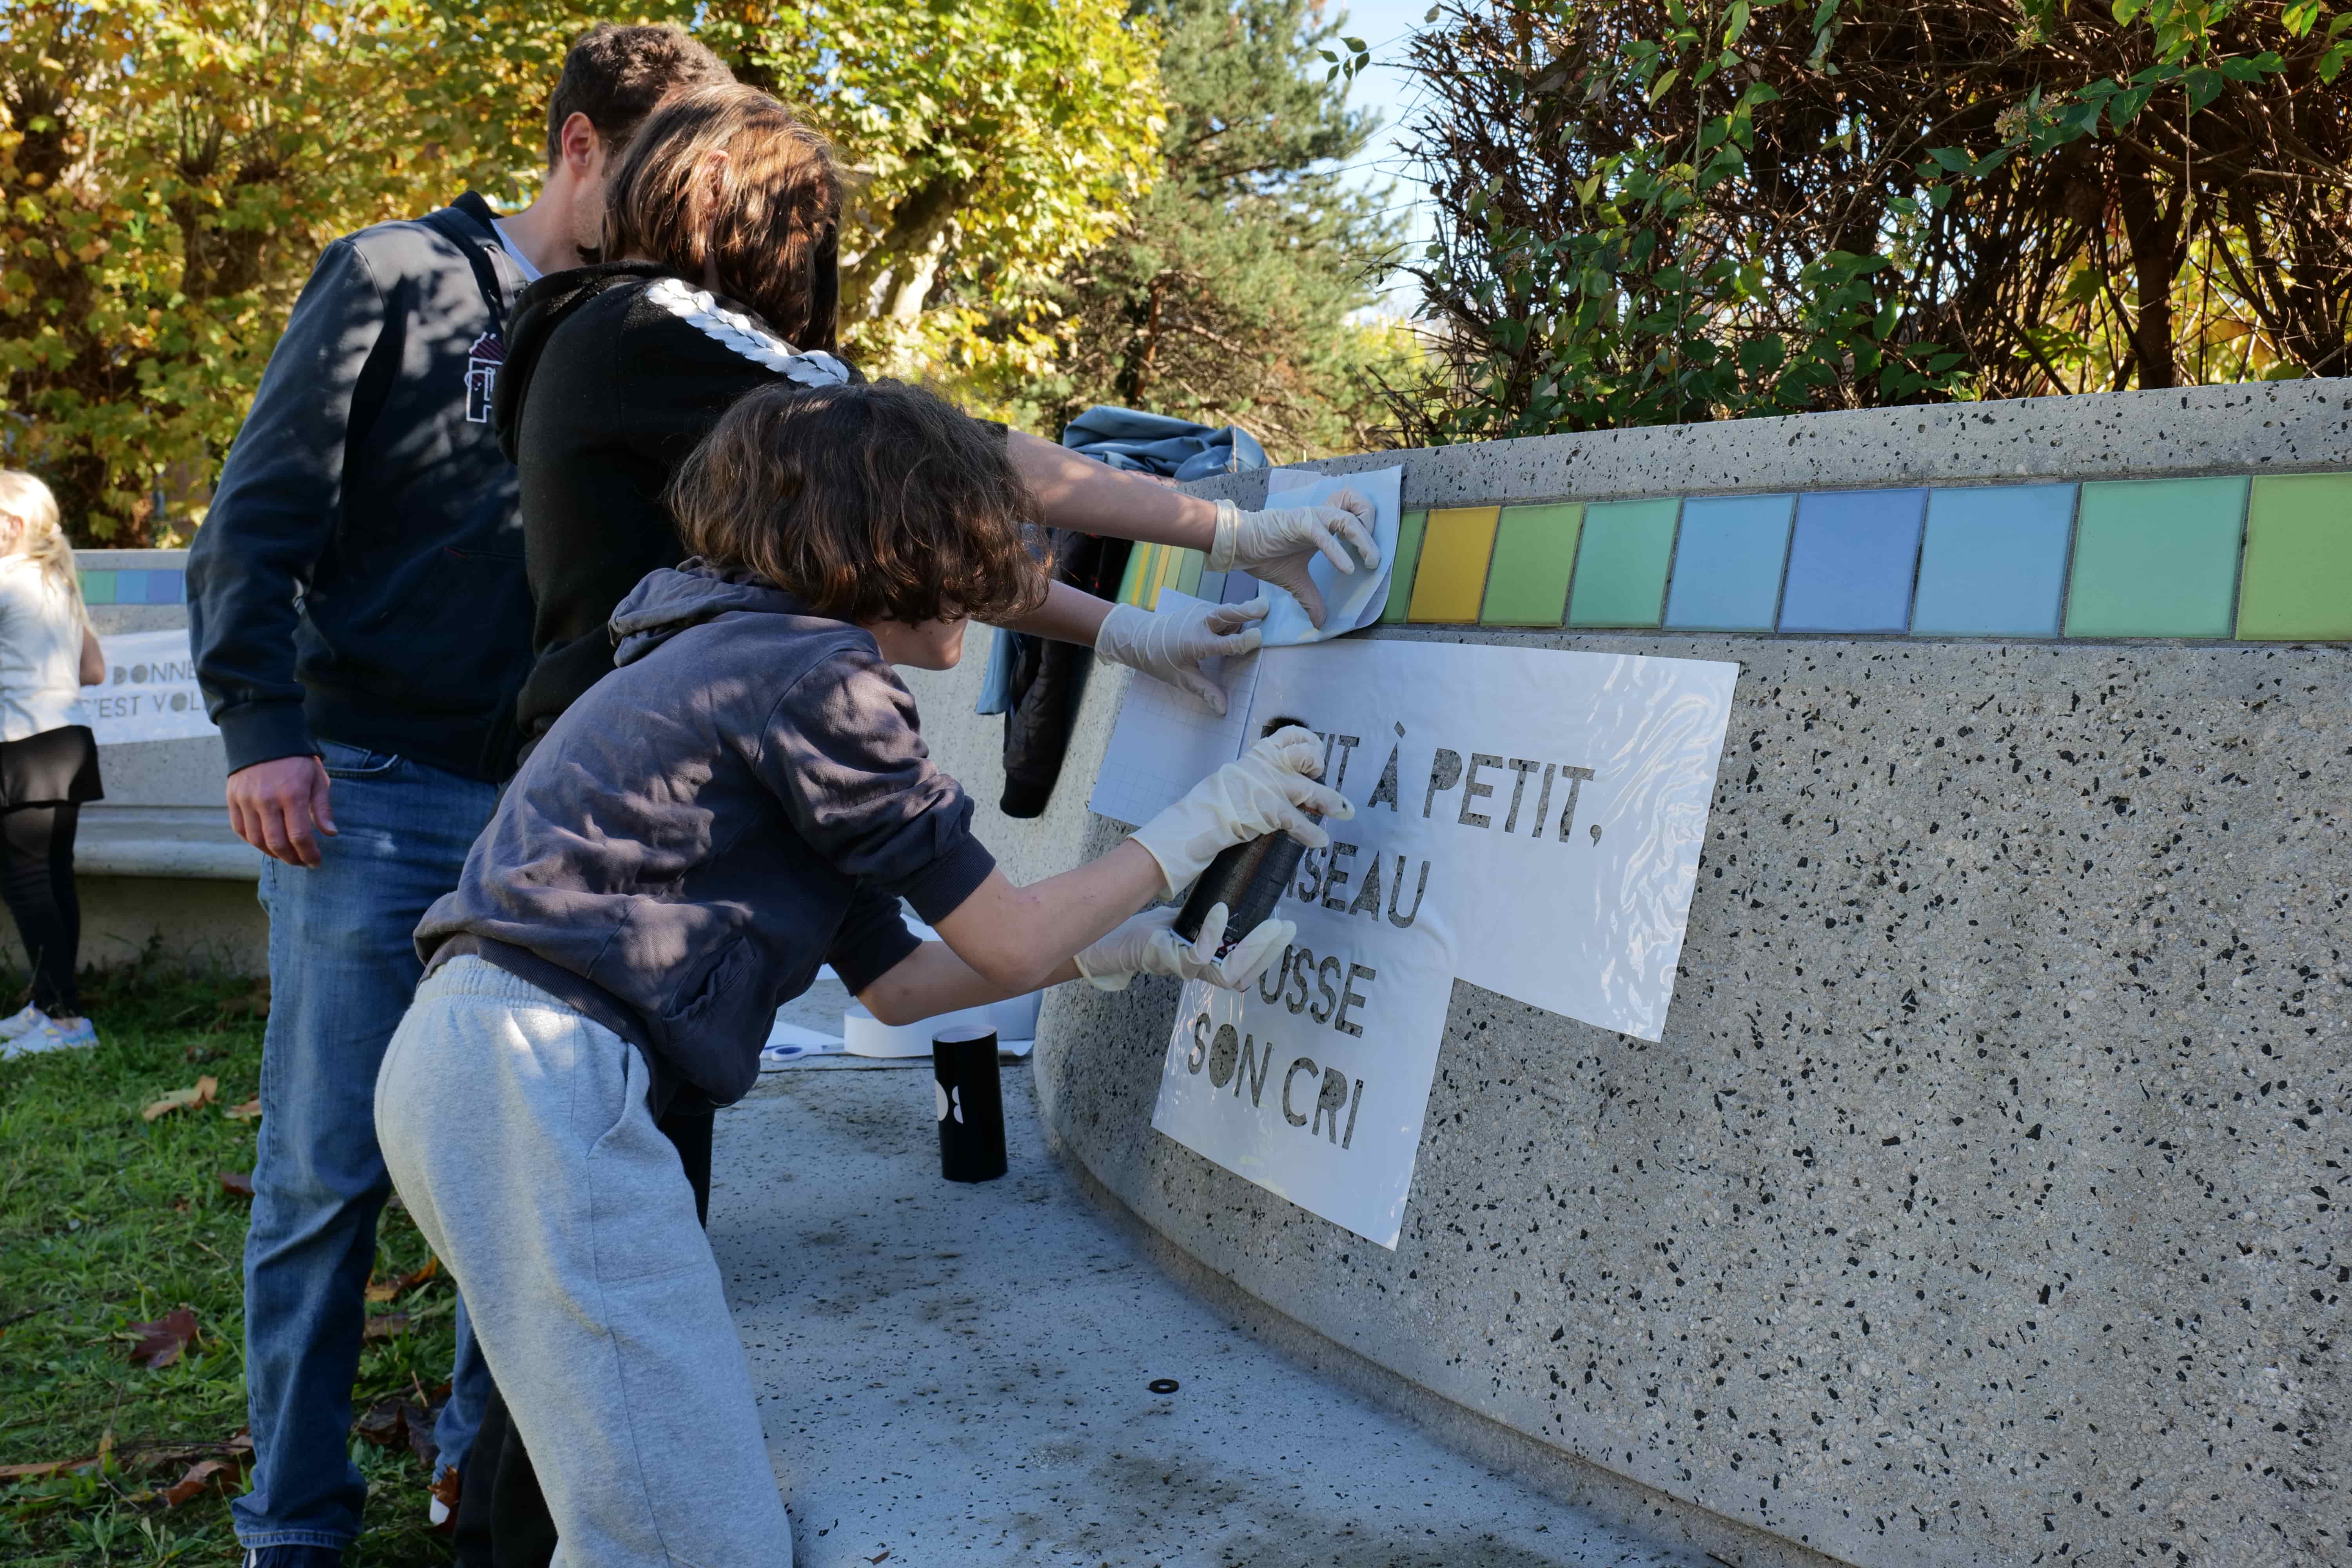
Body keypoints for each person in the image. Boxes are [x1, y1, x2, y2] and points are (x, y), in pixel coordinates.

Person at [378, 378, 1343, 1567]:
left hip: (487, 1065)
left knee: (649, 1518)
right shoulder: (819, 678)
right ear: (898, 541)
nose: (1005, 570)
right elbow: (1006, 938)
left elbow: (895, 982)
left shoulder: (735, 654)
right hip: (542, 1079)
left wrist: (1116, 946)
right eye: (980, 535)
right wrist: (1204, 822)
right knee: (693, 1544)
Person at [184, 25, 734, 1563]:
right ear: (579, 146)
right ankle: (295, 1523)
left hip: (560, 821)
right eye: (665, 169)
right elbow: (255, 519)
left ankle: (480, 1495)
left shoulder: (649, 333)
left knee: (535, 1179)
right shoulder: (394, 276)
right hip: (372, 793)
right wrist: (260, 727)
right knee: (326, 1177)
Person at [0, 471, 104, 1058]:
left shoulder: (6, 580)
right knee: (52, 879)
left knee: (28, 885)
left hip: (21, 743)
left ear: (12, 524)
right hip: (66, 743)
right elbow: (93, 670)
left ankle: (64, 1022)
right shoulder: (58, 583)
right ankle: (51, 1007)